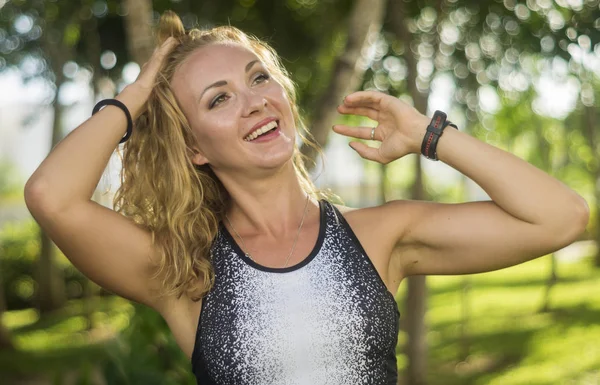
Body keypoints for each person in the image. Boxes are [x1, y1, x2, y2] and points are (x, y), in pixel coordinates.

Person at [23, 10, 589, 385]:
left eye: (259, 79)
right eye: (219, 100)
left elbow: (561, 217)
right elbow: (53, 196)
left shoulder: (381, 235)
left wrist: (430, 137)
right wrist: (138, 94)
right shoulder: (183, 269)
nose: (253, 103)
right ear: (193, 146)